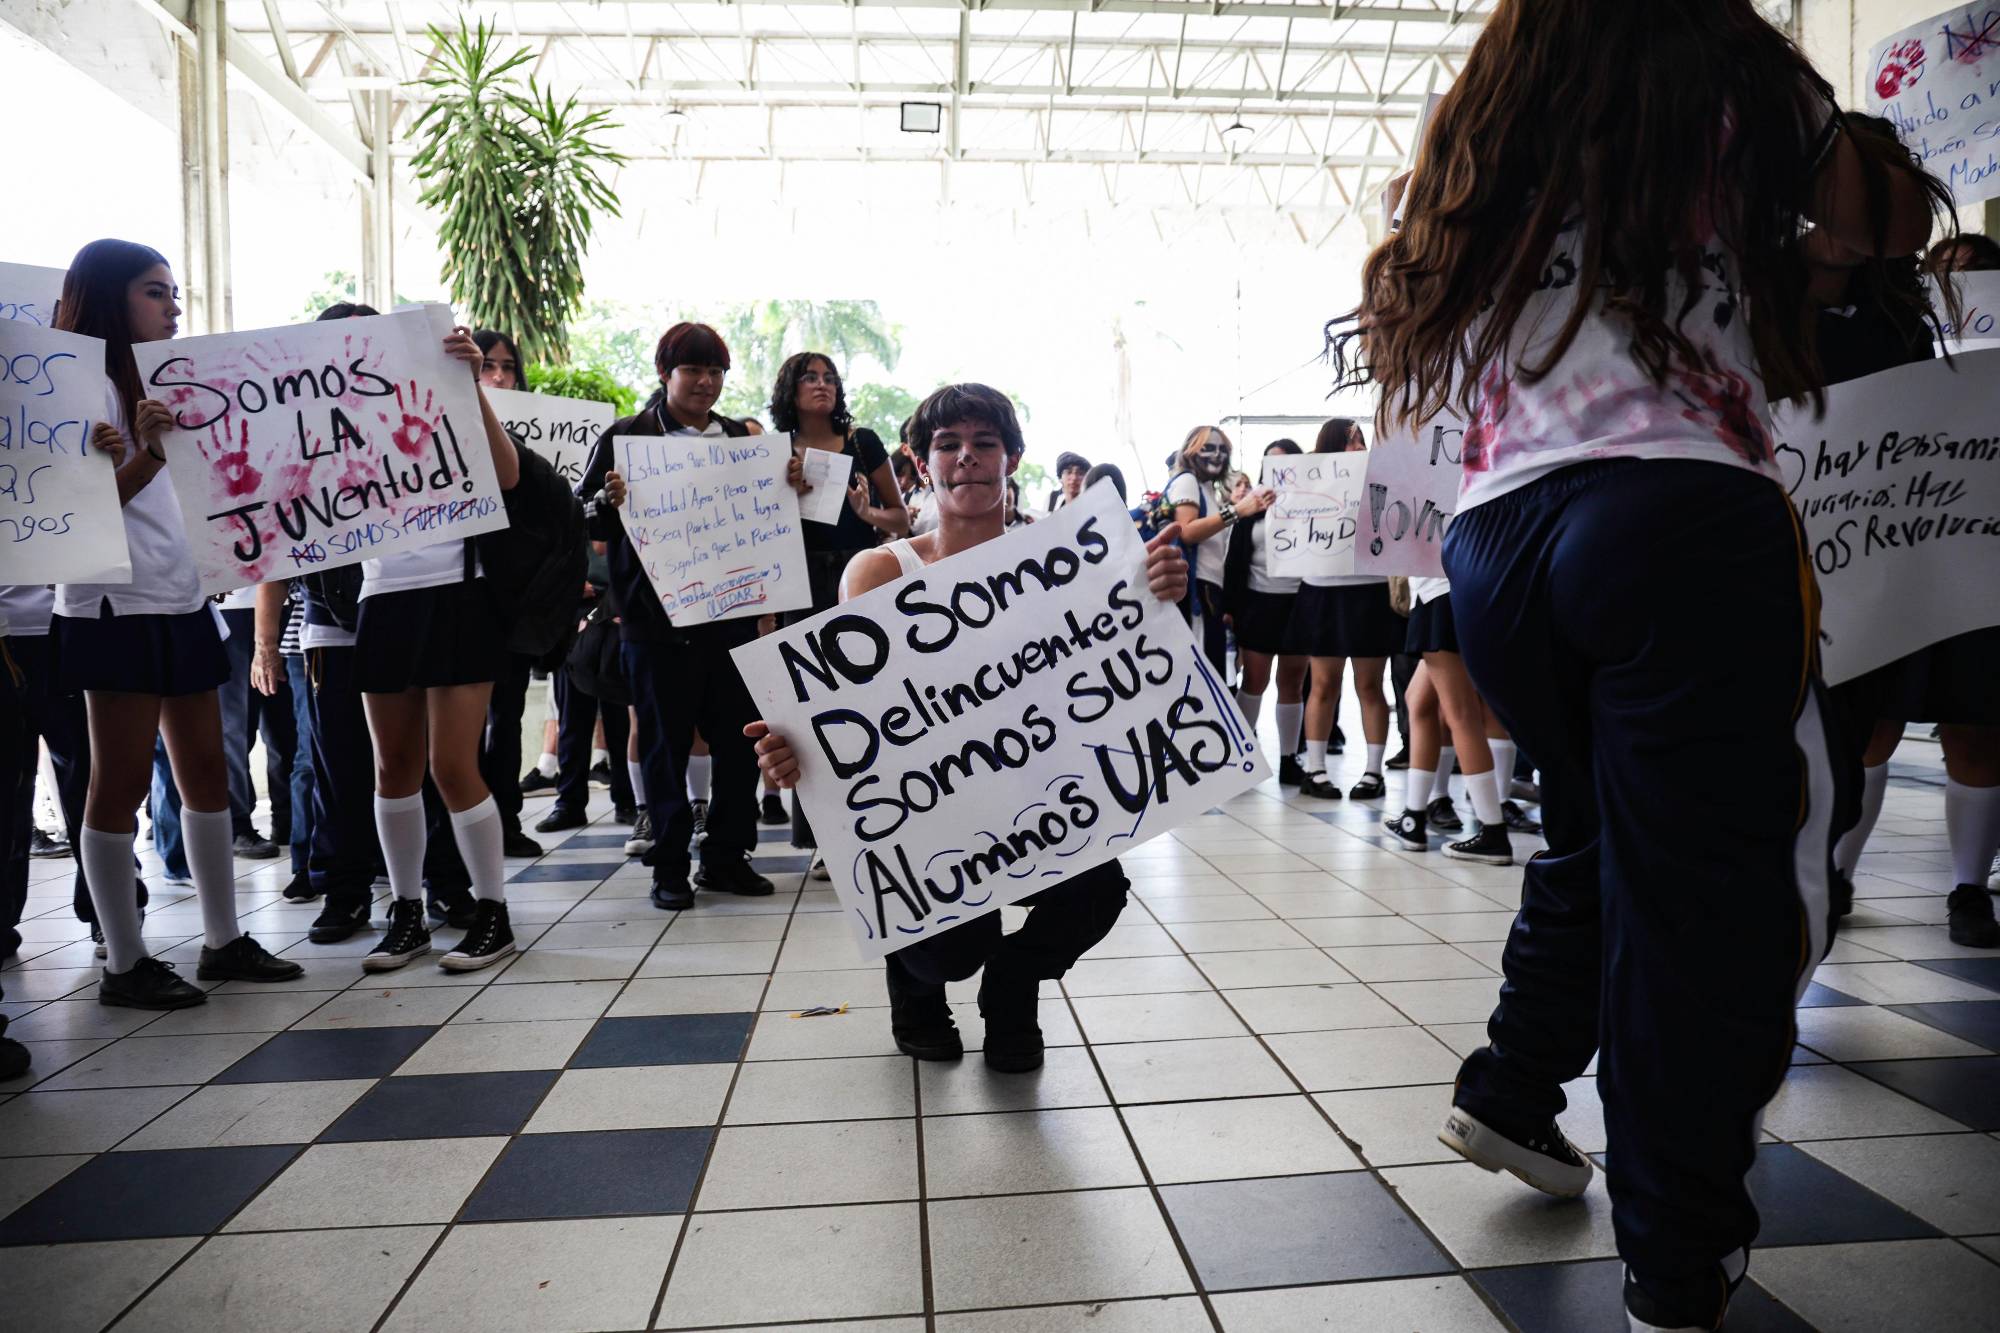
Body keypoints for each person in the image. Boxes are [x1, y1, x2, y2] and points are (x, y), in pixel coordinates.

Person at [1327, 5, 1947, 1326]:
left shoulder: (1488, 139)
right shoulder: (1730, 100)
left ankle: (1516, 1085)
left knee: (1608, 840)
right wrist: (1780, 73)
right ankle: (1677, 1262)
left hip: (1504, 541)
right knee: (1708, 909)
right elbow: (1891, 221)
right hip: (1678, 514)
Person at [746, 383, 1189, 1072]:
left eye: (985, 444)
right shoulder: (879, 571)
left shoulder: (1069, 564)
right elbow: (844, 716)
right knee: (953, 942)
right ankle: (913, 984)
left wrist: (1157, 591)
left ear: (1012, 457)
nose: (967, 459)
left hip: (1040, 798)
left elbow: (1125, 666)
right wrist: (791, 751)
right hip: (927, 817)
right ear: (922, 465)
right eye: (948, 446)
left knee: (1097, 892)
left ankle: (1013, 987)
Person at [50, 239, 305, 1007]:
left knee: (208, 777)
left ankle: (223, 941)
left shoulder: (167, 381)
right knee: (117, 784)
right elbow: (76, 518)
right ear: (108, 296)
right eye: (156, 292)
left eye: (174, 292)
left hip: (183, 598)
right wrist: (150, 455)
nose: (174, 306)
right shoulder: (75, 388)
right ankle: (123, 962)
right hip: (110, 605)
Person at [1817, 123, 1995, 944]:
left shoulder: (1899, 306)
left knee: (1975, 720)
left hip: (1944, 543)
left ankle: (1967, 890)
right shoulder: (1773, 291)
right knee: (1862, 725)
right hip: (1845, 552)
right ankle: (1832, 874)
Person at [577, 322, 776, 911]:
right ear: (666, 373)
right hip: (655, 622)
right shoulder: (626, 438)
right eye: (693, 370)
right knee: (663, 746)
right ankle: (668, 865)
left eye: (716, 372)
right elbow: (585, 520)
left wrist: (785, 482)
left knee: (738, 744)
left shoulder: (742, 438)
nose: (706, 382)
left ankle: (726, 858)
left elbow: (770, 521)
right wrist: (604, 502)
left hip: (732, 616)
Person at [354, 318, 527, 973]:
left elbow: (508, 474)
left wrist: (468, 381)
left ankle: (491, 911)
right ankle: (407, 912)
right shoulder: (335, 420)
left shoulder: (445, 395)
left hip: (460, 590)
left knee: (453, 764)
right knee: (392, 764)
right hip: (382, 594)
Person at [465, 329, 549, 860]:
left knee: (507, 717)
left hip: (512, 606)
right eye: (487, 366)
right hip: (458, 601)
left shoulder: (527, 446)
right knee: (463, 728)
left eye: (507, 367)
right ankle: (468, 828)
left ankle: (507, 820)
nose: (498, 376)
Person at [1291, 419, 1397, 802]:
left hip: (1370, 591)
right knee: (1322, 685)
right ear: (1330, 446)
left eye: (1361, 441)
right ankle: (1315, 769)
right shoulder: (1307, 483)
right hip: (1323, 591)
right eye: (1349, 442)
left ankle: (1373, 772)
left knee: (1369, 686)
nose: (1357, 448)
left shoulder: (1381, 481)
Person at [1223, 439, 1309, 786]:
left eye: (1287, 463)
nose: (1280, 470)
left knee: (1292, 682)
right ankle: (1242, 756)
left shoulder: (1314, 505)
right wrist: (1230, 607)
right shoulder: (1249, 508)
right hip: (1257, 602)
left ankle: (1289, 758)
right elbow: (1234, 560)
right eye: (1273, 463)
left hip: (1299, 602)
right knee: (1255, 680)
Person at [1166, 425, 1267, 676]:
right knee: (1203, 676)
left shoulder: (1206, 488)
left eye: (1222, 449)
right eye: (1208, 448)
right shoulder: (1188, 481)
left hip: (1207, 592)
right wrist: (1237, 511)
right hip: (1195, 593)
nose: (1216, 455)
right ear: (1190, 451)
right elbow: (1185, 531)